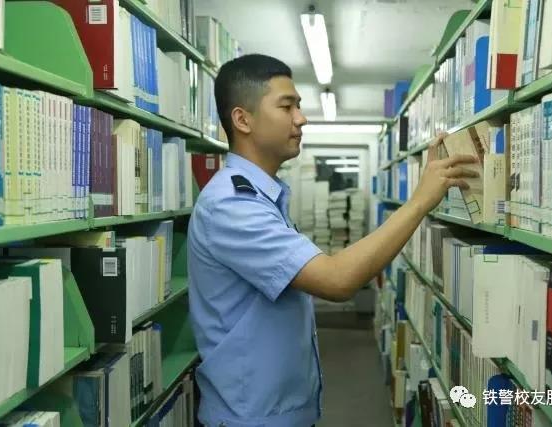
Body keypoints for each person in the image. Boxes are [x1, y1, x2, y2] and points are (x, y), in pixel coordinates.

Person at [187, 53, 478, 427]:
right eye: (287, 106)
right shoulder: (231, 204)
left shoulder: (260, 195)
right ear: (243, 119)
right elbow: (336, 280)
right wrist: (420, 201)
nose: (301, 118)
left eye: (298, 106)